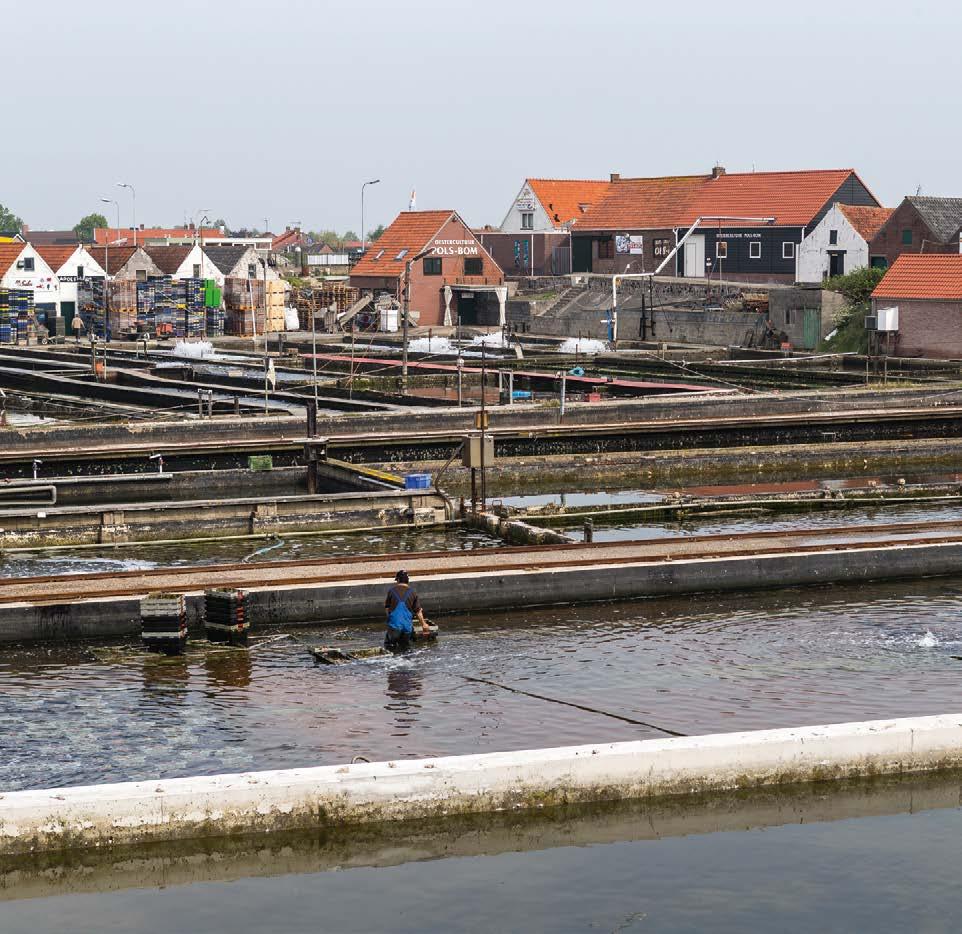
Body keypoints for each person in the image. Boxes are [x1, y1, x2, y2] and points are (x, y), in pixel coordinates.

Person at [384, 570, 430, 653]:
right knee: (405, 649)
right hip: (407, 628)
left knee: (390, 648)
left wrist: (389, 621)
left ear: (398, 580)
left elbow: (387, 609)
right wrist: (424, 625)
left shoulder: (391, 591)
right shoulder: (413, 593)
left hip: (394, 627)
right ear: (407, 580)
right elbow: (418, 611)